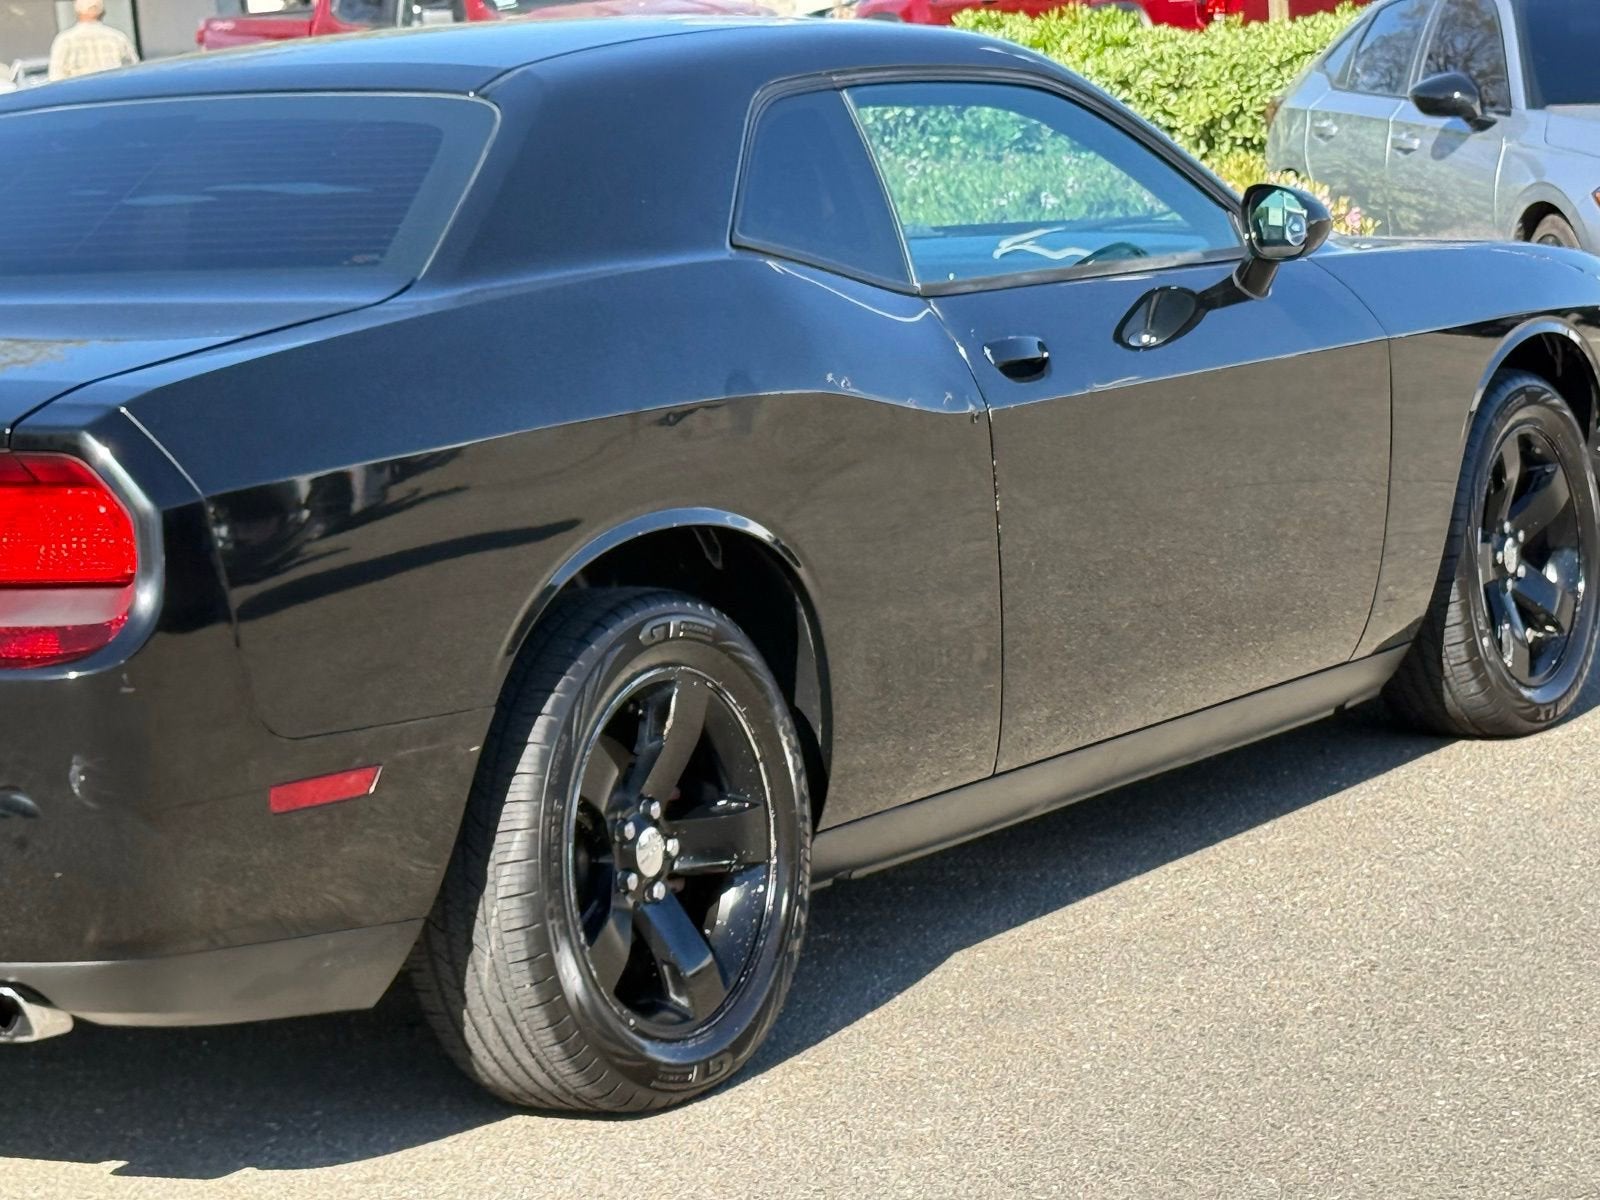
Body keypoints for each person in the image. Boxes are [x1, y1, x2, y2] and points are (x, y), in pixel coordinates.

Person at [47, 0, 139, 83]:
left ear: (77, 12)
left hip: (79, 97)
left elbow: (56, 78)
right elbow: (133, 70)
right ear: (103, 12)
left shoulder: (64, 40)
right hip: (113, 92)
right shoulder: (118, 38)